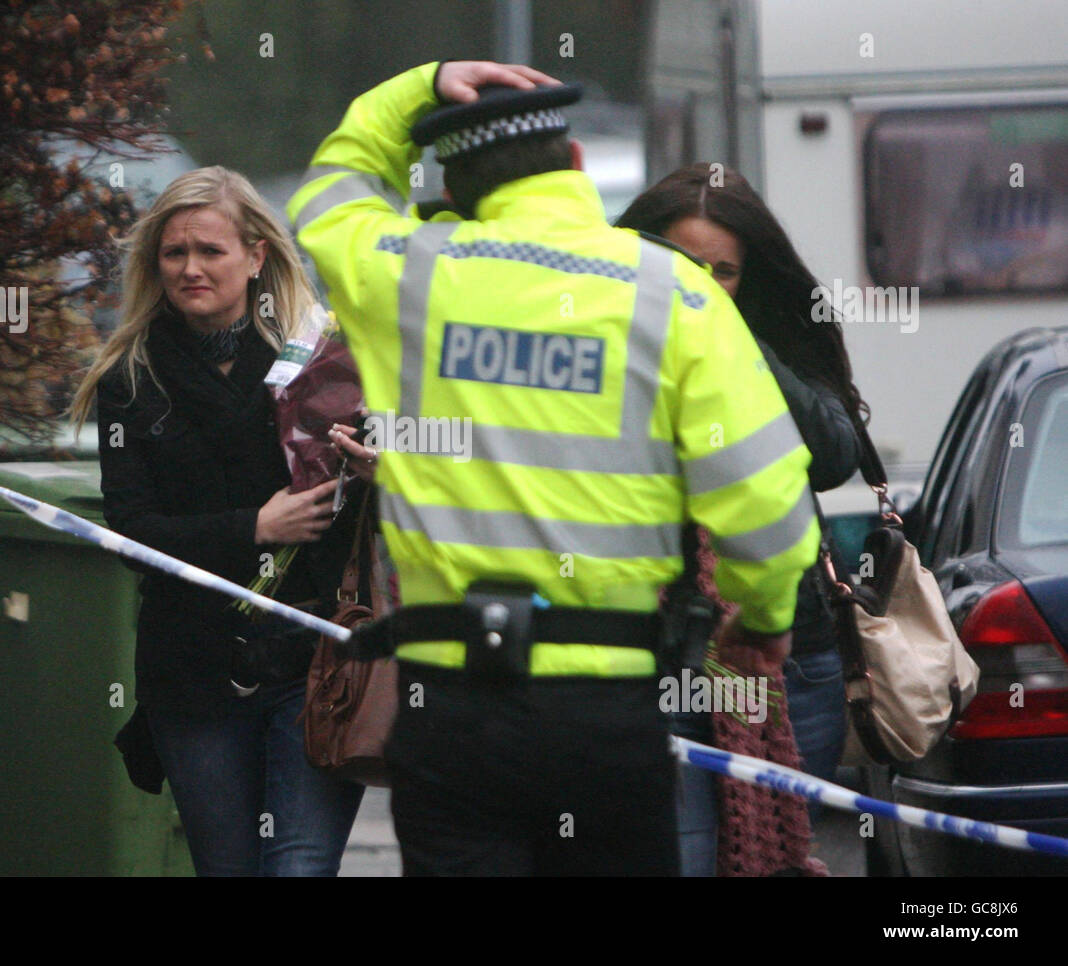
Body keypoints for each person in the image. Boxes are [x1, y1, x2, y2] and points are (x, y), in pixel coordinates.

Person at [289, 61, 820, 875]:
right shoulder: (669, 290)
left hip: (449, 704)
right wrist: (765, 611)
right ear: (575, 161)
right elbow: (763, 487)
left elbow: (330, 191)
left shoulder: (409, 273)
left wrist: (423, 85)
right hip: (607, 713)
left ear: (457, 189)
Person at [68, 167, 368, 876]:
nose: (191, 269)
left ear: (256, 256)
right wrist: (252, 527)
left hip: (313, 662)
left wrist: (377, 471)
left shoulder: (320, 367)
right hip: (195, 671)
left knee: (297, 865)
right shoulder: (132, 377)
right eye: (175, 254)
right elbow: (130, 532)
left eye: (210, 250)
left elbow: (367, 516)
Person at [617, 163, 867, 873]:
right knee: (688, 858)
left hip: (785, 653)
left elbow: (832, 455)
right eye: (684, 267)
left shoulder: (770, 336)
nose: (702, 285)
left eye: (721, 272)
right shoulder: (600, 340)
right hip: (657, 654)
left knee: (776, 855)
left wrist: (727, 344)